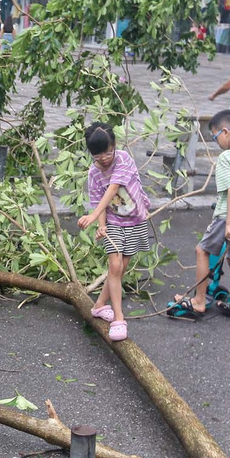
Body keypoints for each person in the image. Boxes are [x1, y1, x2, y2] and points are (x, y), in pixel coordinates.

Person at [171, 110, 230, 322]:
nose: (215, 141)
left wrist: (228, 222)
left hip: (229, 216)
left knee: (202, 250)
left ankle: (199, 301)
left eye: (214, 136)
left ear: (226, 132)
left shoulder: (226, 157)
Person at [76, 122, 153, 342]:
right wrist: (101, 224)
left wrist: (92, 217)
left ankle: (99, 305)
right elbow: (99, 200)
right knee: (115, 266)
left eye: (108, 152)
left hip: (136, 220)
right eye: (98, 156)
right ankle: (119, 318)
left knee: (121, 269)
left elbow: (112, 189)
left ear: (115, 146)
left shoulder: (123, 159)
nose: (105, 158)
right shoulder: (93, 173)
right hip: (114, 223)